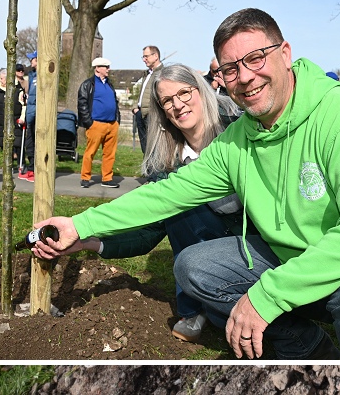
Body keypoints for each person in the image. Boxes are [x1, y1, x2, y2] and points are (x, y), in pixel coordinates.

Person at [29, 8, 340, 360]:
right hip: (294, 260)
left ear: (285, 53)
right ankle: (305, 343)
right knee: (194, 265)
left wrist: (266, 296)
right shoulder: (239, 139)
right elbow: (166, 194)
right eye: (229, 69)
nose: (245, 77)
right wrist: (81, 226)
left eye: (255, 58)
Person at [53, 64, 248, 342]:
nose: (178, 104)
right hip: (206, 255)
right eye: (167, 100)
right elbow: (147, 232)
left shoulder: (238, 133)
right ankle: (195, 308)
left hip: (254, 244)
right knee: (177, 208)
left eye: (184, 92)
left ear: (201, 92)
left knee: (233, 315)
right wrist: (88, 241)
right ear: (162, 111)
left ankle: (227, 300)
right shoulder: (168, 165)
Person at [76, 57, 121, 189]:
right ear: (97, 68)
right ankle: (85, 177)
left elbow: (115, 102)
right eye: (106, 67)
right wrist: (89, 122)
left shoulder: (109, 84)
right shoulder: (88, 84)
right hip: (96, 124)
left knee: (109, 153)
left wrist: (117, 120)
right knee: (90, 152)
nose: (108, 69)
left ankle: (107, 178)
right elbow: (82, 104)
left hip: (112, 124)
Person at [135, 45, 162, 165]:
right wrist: (136, 108)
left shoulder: (162, 73)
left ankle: (154, 176)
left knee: (154, 147)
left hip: (152, 114)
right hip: (141, 113)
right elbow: (142, 92)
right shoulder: (147, 74)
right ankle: (149, 173)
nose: (144, 59)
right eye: (143, 57)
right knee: (145, 147)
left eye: (146, 56)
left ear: (155, 56)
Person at [16, 51, 38, 180]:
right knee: (29, 143)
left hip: (36, 113)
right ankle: (30, 169)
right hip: (30, 112)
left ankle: (35, 170)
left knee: (35, 142)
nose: (31, 62)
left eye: (33, 59)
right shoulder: (32, 75)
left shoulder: (42, 75)